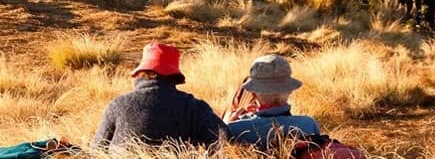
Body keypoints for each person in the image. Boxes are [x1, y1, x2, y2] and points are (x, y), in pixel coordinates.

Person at [91, 43, 226, 150]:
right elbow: (226, 142)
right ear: (174, 76)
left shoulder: (117, 105)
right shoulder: (193, 107)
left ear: (140, 73)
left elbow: (96, 150)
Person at [224, 54, 321, 150]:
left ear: (253, 93)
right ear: (290, 90)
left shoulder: (234, 129)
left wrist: (224, 126)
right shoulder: (309, 124)